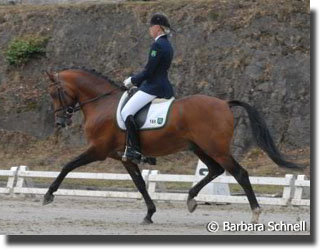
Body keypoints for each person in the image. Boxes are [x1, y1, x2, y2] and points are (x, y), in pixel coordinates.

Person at [121, 13, 175, 162]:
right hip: (164, 86)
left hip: (153, 87)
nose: (150, 30)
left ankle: (134, 150)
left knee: (126, 112)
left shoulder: (157, 45)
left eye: (151, 27)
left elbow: (149, 71)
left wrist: (132, 80)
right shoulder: (168, 45)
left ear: (158, 28)